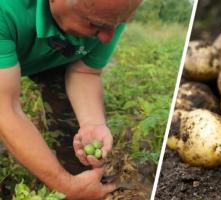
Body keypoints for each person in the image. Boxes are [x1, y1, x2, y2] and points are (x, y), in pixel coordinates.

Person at [0, 0, 141, 199]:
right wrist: (65, 185)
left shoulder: (111, 12)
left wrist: (93, 122)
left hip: (57, 57)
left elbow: (85, 72)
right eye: (96, 24)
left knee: (74, 135)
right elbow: (6, 109)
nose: (108, 38)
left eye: (119, 24)